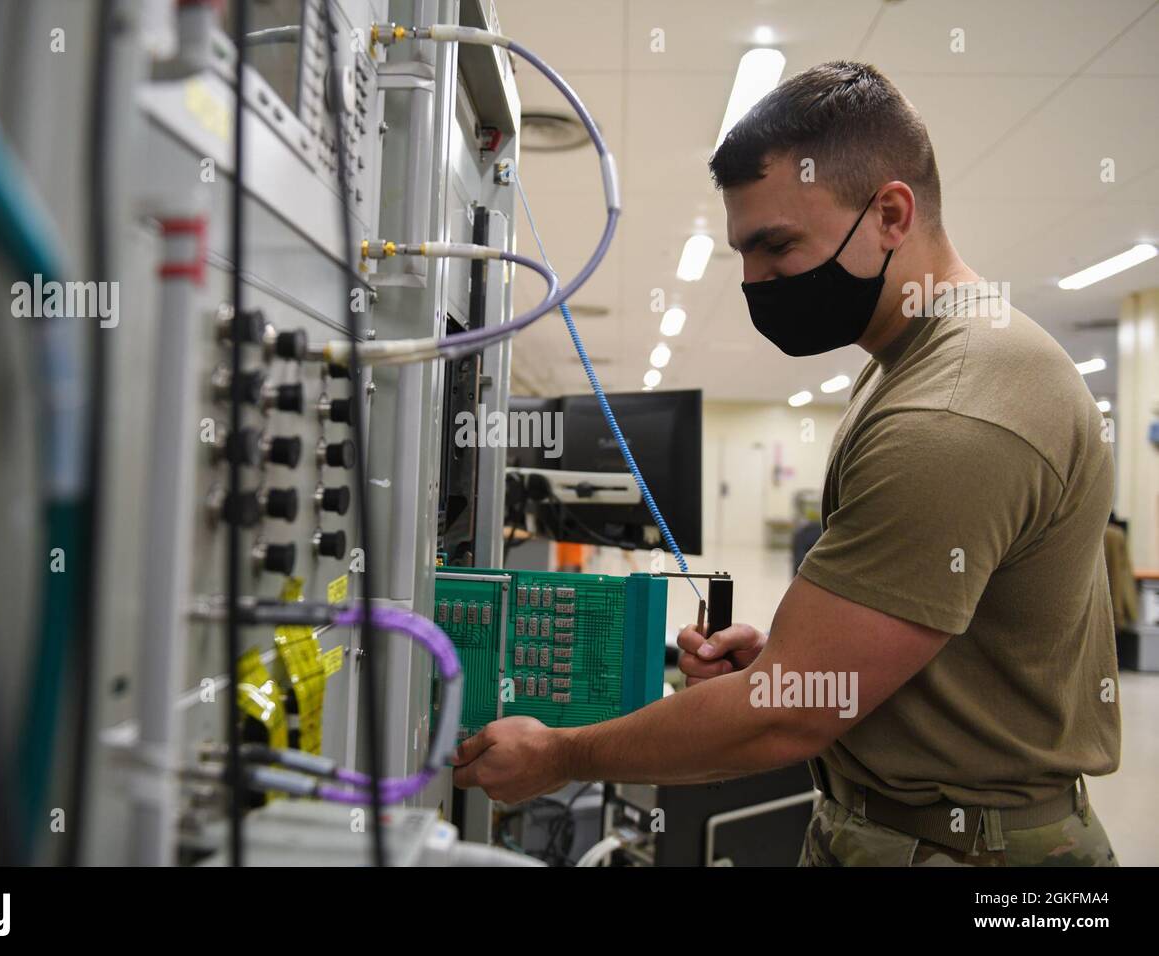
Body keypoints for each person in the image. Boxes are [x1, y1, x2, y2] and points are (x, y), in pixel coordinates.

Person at [453, 61, 1121, 866]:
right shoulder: (907, 362)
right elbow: (905, 651)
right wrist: (786, 659)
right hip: (893, 828)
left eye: (776, 246)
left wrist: (560, 756)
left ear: (891, 214)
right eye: (742, 250)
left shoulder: (954, 407)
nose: (754, 280)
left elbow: (785, 716)